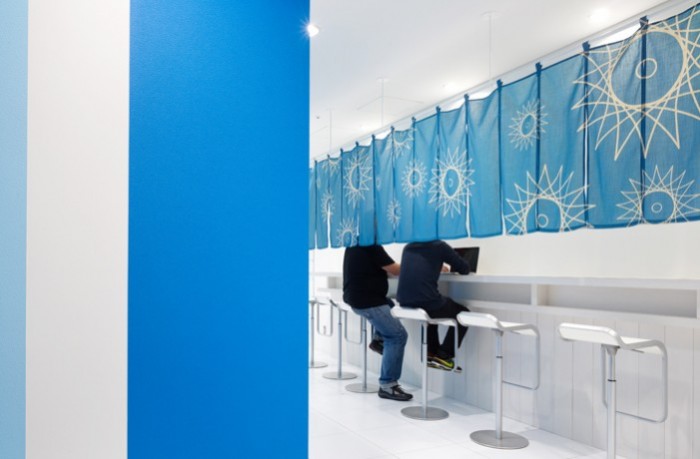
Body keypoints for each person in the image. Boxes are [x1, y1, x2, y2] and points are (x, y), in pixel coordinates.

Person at [343, 245, 412, 401]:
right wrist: (423, 266)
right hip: (367, 300)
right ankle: (388, 385)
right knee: (398, 336)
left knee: (390, 305)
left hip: (358, 297)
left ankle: (378, 340)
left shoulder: (355, 242)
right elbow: (396, 270)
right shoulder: (370, 244)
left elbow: (382, 267)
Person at [396, 240, 471, 372]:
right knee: (464, 314)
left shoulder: (408, 246)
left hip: (404, 302)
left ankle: (431, 353)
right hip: (426, 303)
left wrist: (437, 264)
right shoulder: (439, 246)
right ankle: (444, 355)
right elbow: (464, 269)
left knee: (431, 310)